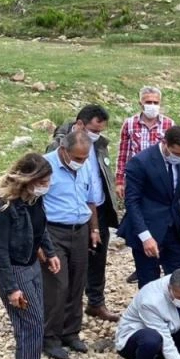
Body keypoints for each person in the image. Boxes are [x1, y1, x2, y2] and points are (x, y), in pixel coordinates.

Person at [0, 153, 61, 359]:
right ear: (28, 179)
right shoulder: (3, 206)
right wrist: (11, 289)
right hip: (12, 268)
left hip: (30, 262)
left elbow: (41, 228)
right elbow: (0, 251)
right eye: (44, 180)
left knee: (37, 318)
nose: (46, 185)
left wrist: (49, 253)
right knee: (27, 322)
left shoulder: (34, 199)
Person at [47, 104, 120, 322]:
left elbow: (102, 176)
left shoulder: (99, 145)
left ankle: (95, 303)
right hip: (64, 215)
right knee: (67, 268)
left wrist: (96, 224)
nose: (97, 135)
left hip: (95, 208)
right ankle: (62, 313)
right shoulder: (57, 147)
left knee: (97, 257)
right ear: (79, 124)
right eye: (93, 130)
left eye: (100, 131)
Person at [41, 130, 99, 359]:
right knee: (57, 285)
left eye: (85, 158)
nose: (81, 162)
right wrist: (39, 243)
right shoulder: (45, 166)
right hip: (53, 231)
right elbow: (33, 204)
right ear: (63, 150)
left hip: (80, 230)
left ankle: (71, 333)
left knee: (77, 283)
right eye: (77, 158)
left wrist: (94, 229)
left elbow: (91, 199)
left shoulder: (85, 164)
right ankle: (50, 337)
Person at [116, 126, 180, 288]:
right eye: (177, 153)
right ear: (165, 143)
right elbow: (132, 202)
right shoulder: (140, 162)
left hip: (174, 228)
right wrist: (145, 237)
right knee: (150, 283)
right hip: (148, 229)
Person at [116, 86, 174, 284]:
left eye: (155, 102)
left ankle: (160, 258)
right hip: (137, 178)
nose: (152, 106)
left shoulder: (168, 124)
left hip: (160, 180)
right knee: (136, 214)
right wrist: (120, 180)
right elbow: (123, 153)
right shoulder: (130, 124)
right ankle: (142, 261)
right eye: (148, 102)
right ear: (140, 102)